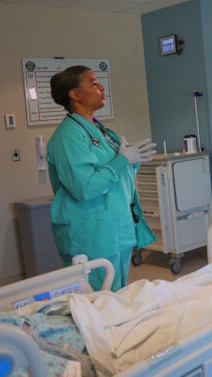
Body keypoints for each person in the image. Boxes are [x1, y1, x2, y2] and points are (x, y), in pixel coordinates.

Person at [47, 65, 157, 291]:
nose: (102, 87)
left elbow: (117, 177)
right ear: (75, 94)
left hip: (115, 227)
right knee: (98, 301)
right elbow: (84, 188)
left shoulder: (103, 132)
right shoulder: (68, 136)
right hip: (91, 233)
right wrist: (121, 161)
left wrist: (131, 162)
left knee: (116, 296)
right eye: (94, 83)